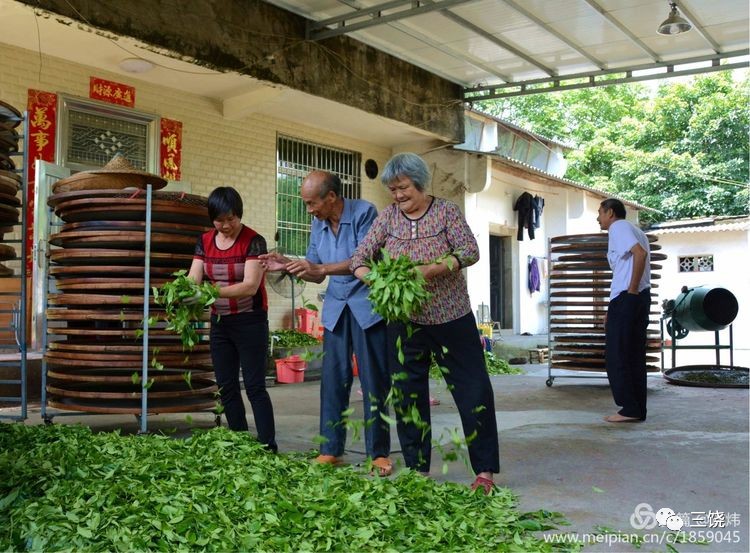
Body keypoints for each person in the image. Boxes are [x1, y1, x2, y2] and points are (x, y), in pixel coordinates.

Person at [350, 152, 500, 493]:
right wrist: (373, 277)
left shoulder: (446, 212)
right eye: (393, 190)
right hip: (405, 322)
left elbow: (469, 251)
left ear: (420, 183)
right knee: (407, 396)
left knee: (473, 391)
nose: (399, 195)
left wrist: (433, 268)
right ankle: (418, 469)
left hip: (452, 317)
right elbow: (360, 258)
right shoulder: (387, 218)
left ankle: (485, 471)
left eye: (404, 188)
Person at [259, 171, 392, 475]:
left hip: (366, 306)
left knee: (374, 381)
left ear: (331, 197)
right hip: (335, 307)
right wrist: (288, 266)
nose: (309, 210)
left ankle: (379, 452)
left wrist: (319, 267)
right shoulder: (318, 224)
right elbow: (316, 271)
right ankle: (331, 449)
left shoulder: (364, 213)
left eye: (311, 203)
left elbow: (363, 257)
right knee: (333, 380)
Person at [187, 186, 277, 451]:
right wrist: (185, 293)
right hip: (220, 323)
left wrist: (208, 292)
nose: (226, 225)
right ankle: (240, 441)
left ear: (239, 215)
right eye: (220, 220)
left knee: (254, 386)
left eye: (231, 219)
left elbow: (250, 286)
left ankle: (267, 445)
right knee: (226, 386)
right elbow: (194, 277)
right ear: (211, 219)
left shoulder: (254, 241)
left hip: (251, 321)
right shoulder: (204, 241)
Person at [596, 198, 651, 423]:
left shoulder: (618, 228)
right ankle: (637, 408)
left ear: (610, 212)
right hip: (637, 298)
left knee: (617, 355)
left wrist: (630, 291)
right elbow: (629, 263)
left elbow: (640, 254)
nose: (597, 218)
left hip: (629, 297)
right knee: (634, 354)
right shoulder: (637, 231)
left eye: (599, 212)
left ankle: (628, 408)